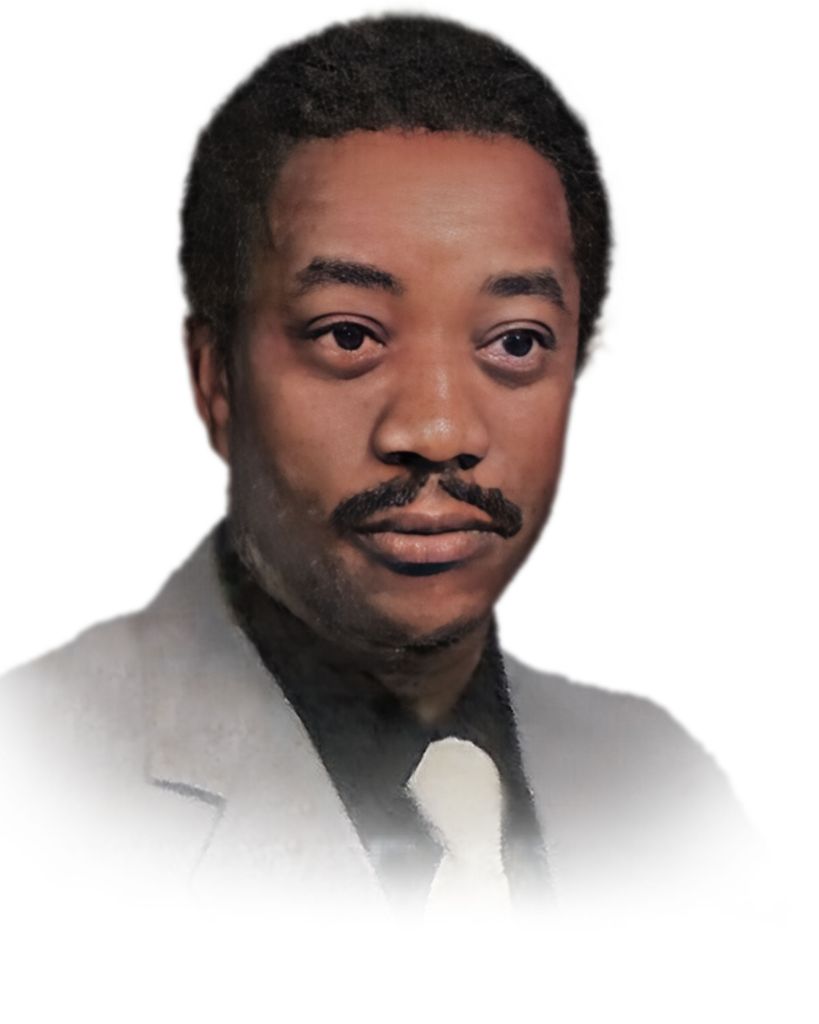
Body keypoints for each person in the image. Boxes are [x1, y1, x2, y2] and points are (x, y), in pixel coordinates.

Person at [0, 14, 754, 918]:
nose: (436, 429)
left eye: (515, 342)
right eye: (349, 336)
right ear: (216, 381)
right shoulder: (33, 788)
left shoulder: (669, 791)